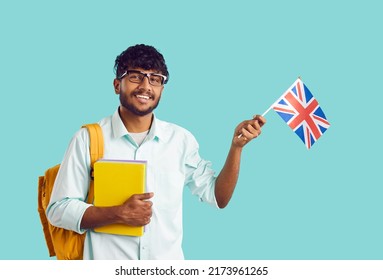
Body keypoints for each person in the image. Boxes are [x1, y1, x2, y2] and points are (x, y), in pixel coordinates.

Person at [47, 44, 266, 260]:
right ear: (117, 85)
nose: (145, 86)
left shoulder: (181, 140)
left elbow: (217, 197)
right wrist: (118, 213)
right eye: (135, 76)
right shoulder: (87, 139)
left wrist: (236, 148)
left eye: (155, 79)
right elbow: (58, 209)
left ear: (162, 88)